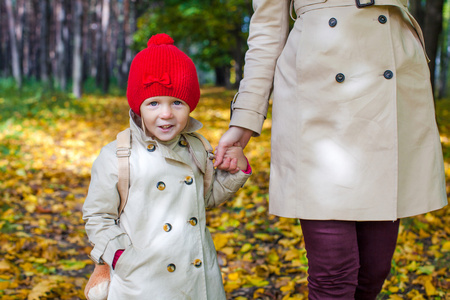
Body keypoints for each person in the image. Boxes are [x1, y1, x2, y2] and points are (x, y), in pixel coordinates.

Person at [214, 0, 448, 299]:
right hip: (318, 94)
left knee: (374, 270)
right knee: (334, 273)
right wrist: (245, 118)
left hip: (391, 80)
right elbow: (267, 32)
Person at [83, 33, 251, 300]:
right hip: (142, 280)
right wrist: (119, 255)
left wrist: (235, 172)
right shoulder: (117, 155)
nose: (166, 114)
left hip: (196, 277)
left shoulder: (197, 147)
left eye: (177, 102)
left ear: (190, 106)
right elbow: (98, 216)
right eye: (153, 103)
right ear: (138, 107)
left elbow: (203, 199)